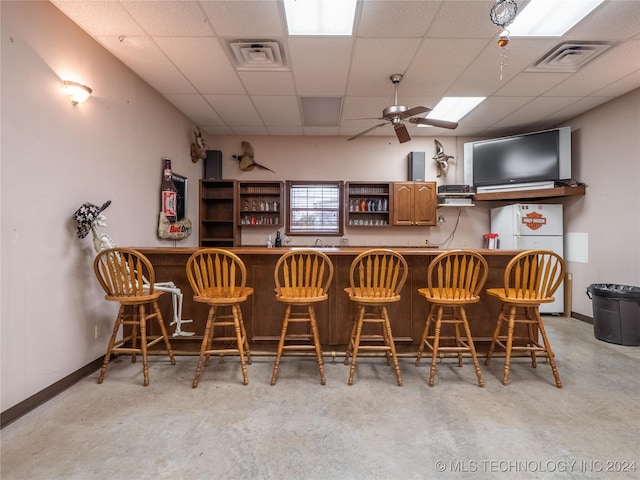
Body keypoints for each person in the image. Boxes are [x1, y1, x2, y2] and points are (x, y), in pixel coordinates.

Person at [73, 201, 194, 336]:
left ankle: (175, 324)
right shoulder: (103, 242)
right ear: (95, 221)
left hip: (122, 286)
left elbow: (115, 262)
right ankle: (176, 327)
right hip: (128, 288)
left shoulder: (100, 243)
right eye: (99, 216)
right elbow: (116, 263)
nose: (103, 218)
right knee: (175, 289)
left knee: (172, 287)